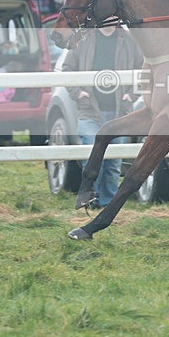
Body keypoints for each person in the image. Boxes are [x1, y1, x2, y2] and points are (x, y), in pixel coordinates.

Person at [62, 25, 143, 208]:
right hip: (90, 110)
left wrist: (131, 95)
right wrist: (79, 93)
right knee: (91, 157)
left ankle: (108, 204)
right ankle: (90, 201)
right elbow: (67, 69)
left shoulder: (130, 39)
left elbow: (143, 70)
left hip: (119, 113)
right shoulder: (82, 38)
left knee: (113, 162)